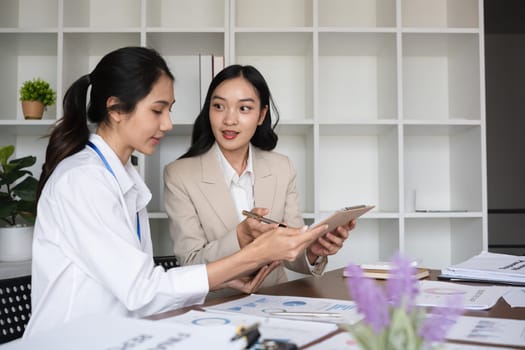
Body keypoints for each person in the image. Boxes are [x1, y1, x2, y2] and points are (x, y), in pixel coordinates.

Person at [25, 47, 329, 337]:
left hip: (118, 334)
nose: (168, 124)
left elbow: (141, 289)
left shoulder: (121, 178)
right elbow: (142, 291)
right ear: (116, 109)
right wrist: (251, 256)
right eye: (158, 110)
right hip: (73, 339)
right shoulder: (83, 181)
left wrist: (227, 274)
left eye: (169, 110)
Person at [164, 64, 356, 297]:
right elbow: (190, 263)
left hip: (274, 300)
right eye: (218, 106)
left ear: (261, 115)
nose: (229, 120)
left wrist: (312, 250)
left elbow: (292, 250)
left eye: (244, 108)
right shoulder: (180, 175)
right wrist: (239, 237)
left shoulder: (281, 167)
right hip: (215, 305)